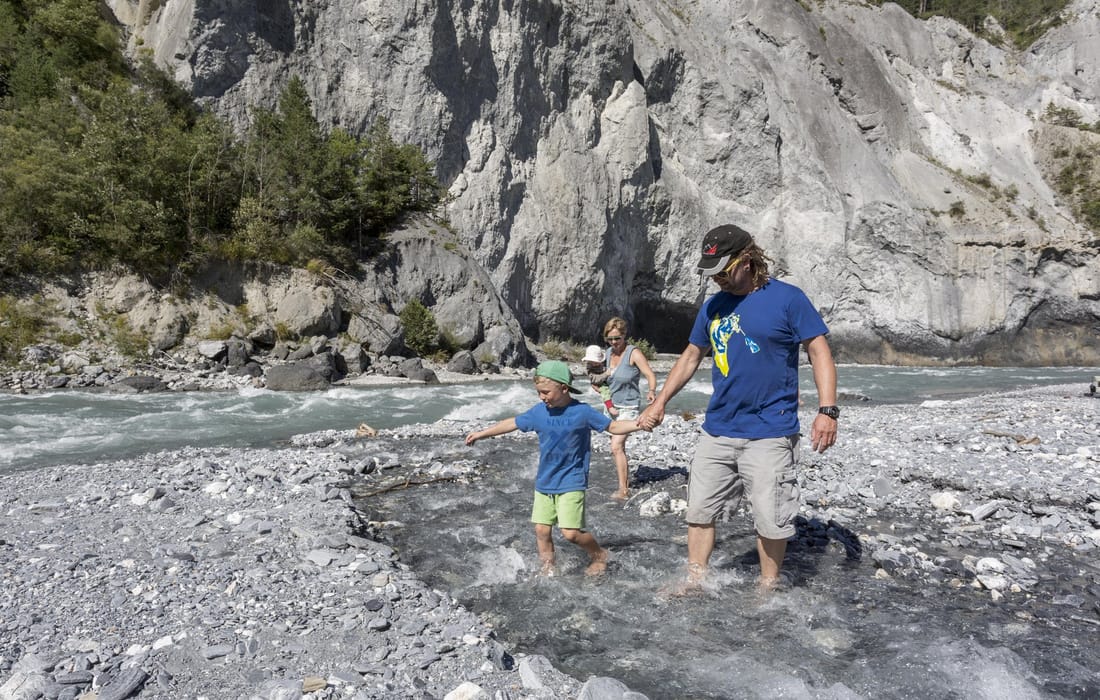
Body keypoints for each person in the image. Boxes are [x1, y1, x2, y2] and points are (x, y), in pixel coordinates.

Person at [639, 224, 838, 591]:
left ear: (747, 259)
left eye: (723, 271)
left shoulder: (788, 299)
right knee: (699, 510)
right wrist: (661, 401)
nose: (717, 280)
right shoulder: (713, 306)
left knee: (770, 518)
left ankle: (768, 586)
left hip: (770, 430)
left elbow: (818, 351)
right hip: (719, 427)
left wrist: (827, 411)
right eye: (711, 272)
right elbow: (692, 355)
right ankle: (695, 578)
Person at [465, 360, 647, 576]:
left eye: (545, 392)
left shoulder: (582, 412)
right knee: (541, 530)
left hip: (572, 479)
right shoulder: (538, 412)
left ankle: (599, 555)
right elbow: (512, 422)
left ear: (563, 388)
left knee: (570, 533)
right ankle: (548, 569)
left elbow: (612, 426)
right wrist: (481, 433)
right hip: (545, 480)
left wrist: (639, 424)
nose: (542, 397)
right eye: (539, 392)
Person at [601, 317, 657, 501]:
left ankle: (623, 490)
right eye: (610, 339)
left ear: (624, 335)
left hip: (629, 407)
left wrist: (651, 390)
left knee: (616, 446)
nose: (614, 342)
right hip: (611, 408)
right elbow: (601, 379)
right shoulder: (608, 353)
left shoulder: (634, 353)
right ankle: (623, 480)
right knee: (619, 447)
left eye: (617, 338)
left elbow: (649, 373)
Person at [582, 345, 618, 417]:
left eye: (596, 362)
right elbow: (595, 379)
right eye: (593, 362)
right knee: (605, 391)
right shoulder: (589, 369)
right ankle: (609, 406)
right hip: (599, 383)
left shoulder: (605, 360)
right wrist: (606, 374)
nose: (595, 364)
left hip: (608, 379)